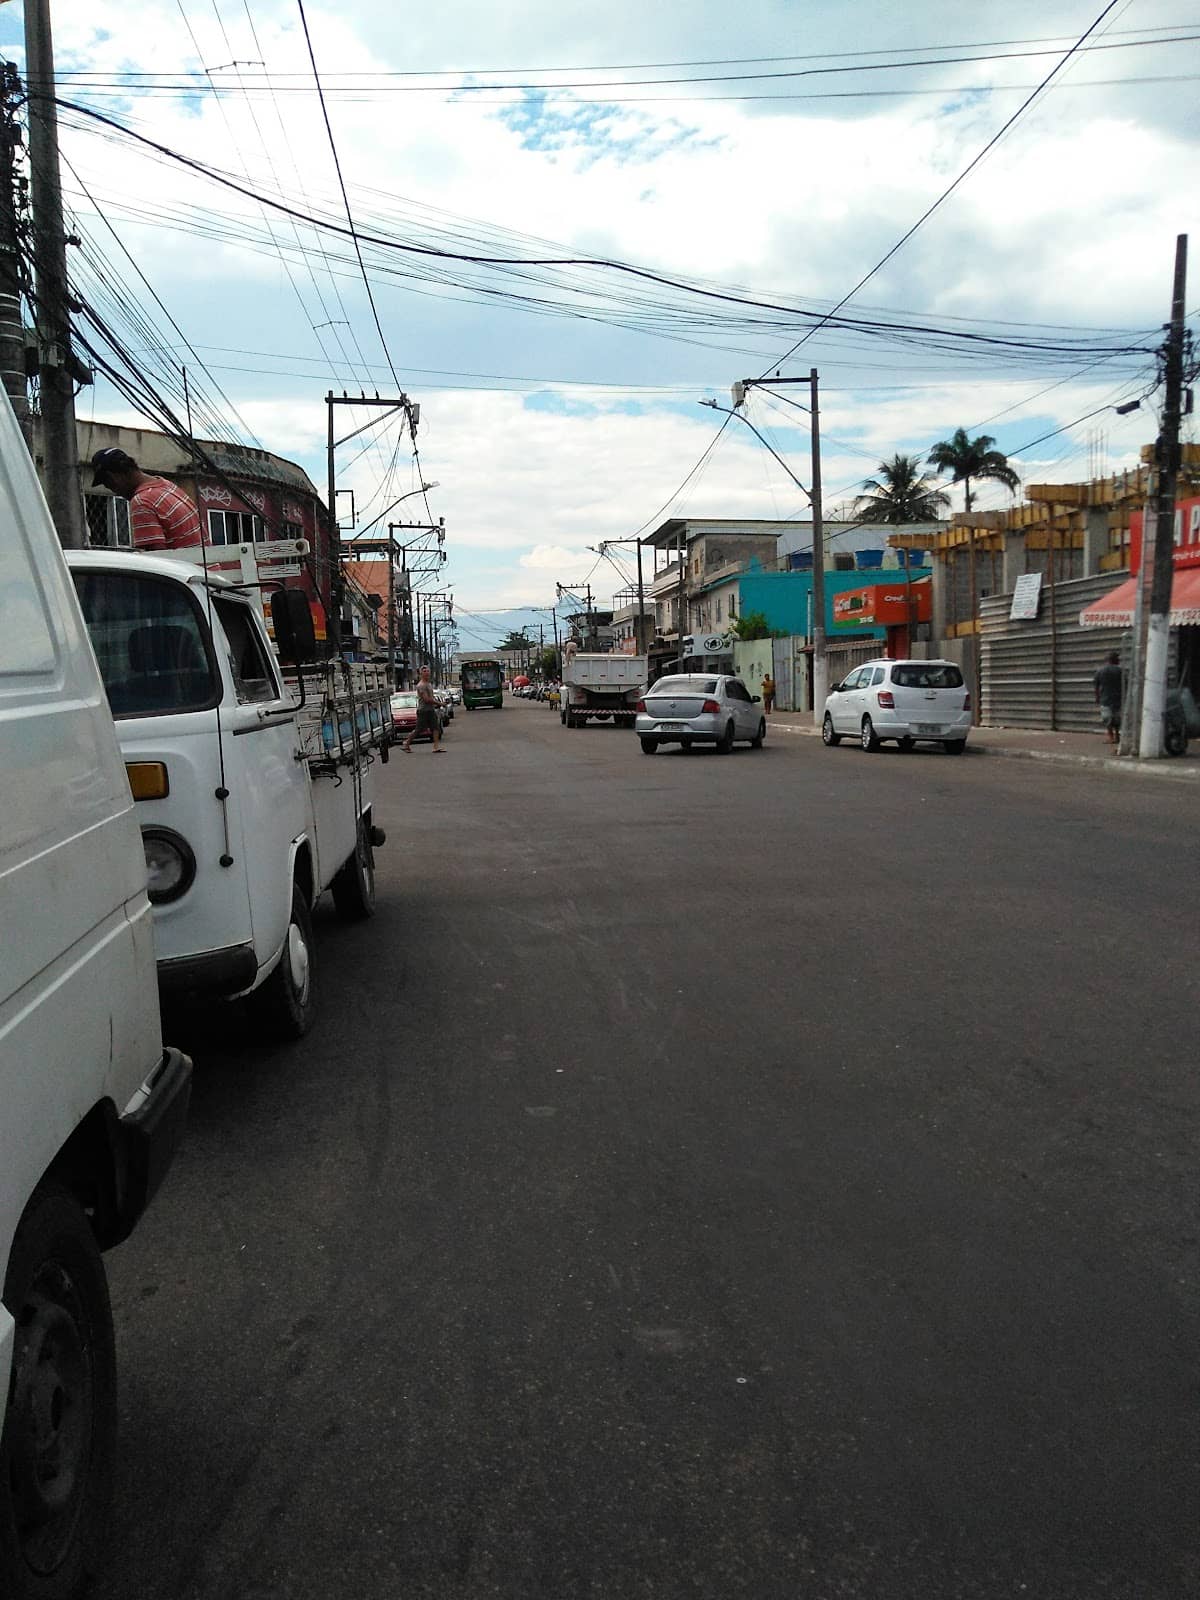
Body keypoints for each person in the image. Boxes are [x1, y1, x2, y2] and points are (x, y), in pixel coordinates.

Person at [89, 447, 203, 552]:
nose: (115, 491)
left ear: (113, 477)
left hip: (183, 572)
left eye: (109, 485)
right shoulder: (167, 485)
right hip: (204, 570)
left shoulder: (142, 502)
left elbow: (156, 559)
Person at [403, 666, 444, 753]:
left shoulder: (428, 684)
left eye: (428, 671)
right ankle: (406, 743)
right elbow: (427, 699)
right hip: (423, 711)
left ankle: (435, 747)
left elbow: (431, 697)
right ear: (420, 674)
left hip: (430, 710)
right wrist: (440, 703)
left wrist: (437, 704)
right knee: (419, 730)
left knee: (436, 728)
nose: (426, 673)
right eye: (424, 671)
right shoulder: (421, 685)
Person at [1093, 650, 1123, 745]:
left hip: (1105, 699)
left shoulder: (1100, 671)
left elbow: (1096, 685)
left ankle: (1111, 737)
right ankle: (1117, 736)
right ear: (1114, 660)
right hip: (1118, 699)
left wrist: (1097, 697)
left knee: (1107, 719)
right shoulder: (1120, 671)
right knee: (1117, 719)